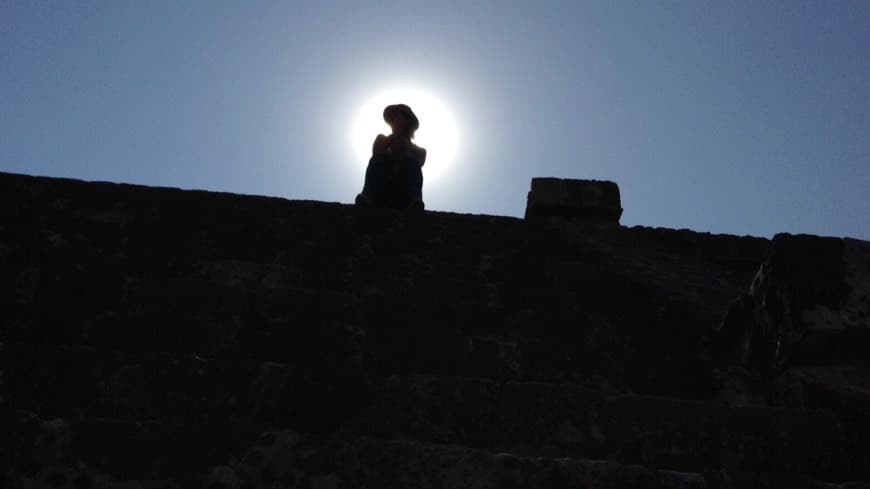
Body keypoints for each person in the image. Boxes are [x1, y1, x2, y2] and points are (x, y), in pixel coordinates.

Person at [355, 104, 426, 211]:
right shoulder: (382, 139)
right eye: (392, 117)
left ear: (407, 120)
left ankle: (414, 202)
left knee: (412, 164)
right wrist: (394, 140)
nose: (394, 119)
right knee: (378, 159)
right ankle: (367, 197)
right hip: (381, 193)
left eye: (398, 116)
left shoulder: (420, 151)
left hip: (403, 196)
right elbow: (377, 155)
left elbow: (416, 164)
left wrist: (405, 145)